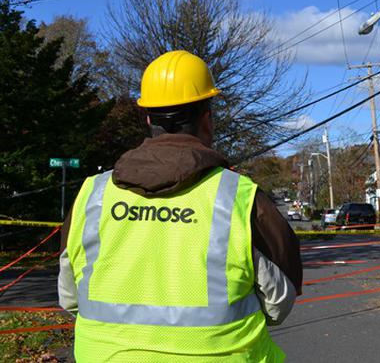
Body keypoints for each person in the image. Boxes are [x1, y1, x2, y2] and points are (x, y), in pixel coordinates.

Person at [58, 50, 302, 361]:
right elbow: (279, 303)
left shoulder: (92, 195)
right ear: (207, 120)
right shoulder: (238, 196)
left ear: (148, 117)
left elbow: (69, 298)